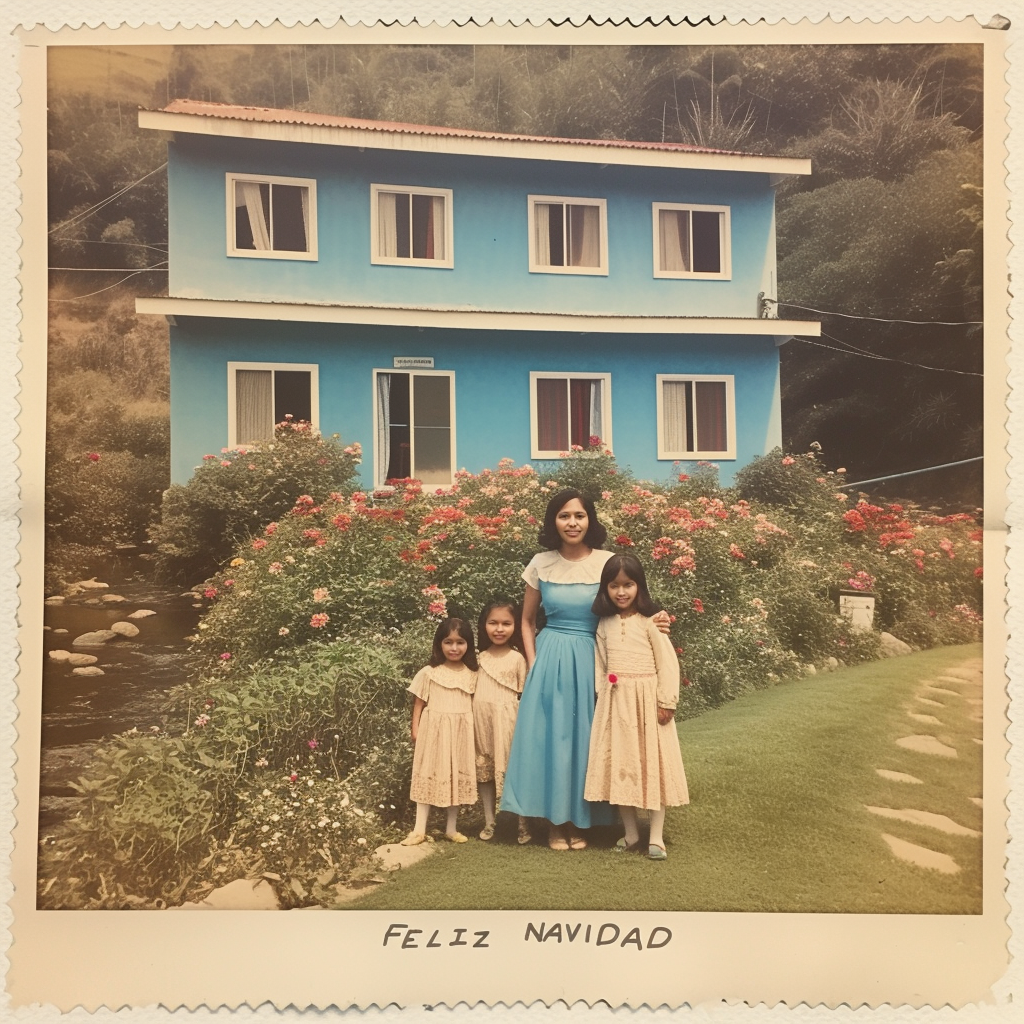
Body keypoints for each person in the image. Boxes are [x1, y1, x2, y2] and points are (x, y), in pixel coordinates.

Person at [501, 488, 671, 851]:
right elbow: (527, 622)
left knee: (585, 741)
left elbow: (629, 602)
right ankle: (552, 825)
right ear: (554, 522)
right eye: (564, 516)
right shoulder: (540, 563)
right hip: (549, 659)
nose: (572, 523)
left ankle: (581, 821)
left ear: (590, 519)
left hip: (596, 660)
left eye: (579, 515)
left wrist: (657, 622)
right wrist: (534, 664)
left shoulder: (607, 561)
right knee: (550, 741)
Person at [585, 553, 689, 861]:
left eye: (628, 585)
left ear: (639, 587)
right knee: (622, 765)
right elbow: (601, 665)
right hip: (616, 704)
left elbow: (667, 664)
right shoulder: (604, 623)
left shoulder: (652, 622)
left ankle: (655, 837)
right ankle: (630, 833)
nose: (621, 592)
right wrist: (604, 697)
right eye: (614, 586)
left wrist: (666, 701)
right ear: (605, 589)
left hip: (647, 703)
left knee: (653, 765)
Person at [400, 617, 479, 846]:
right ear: (439, 644)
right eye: (448, 642)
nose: (454, 648)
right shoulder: (429, 672)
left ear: (468, 645)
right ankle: (418, 829)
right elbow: (418, 702)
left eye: (460, 642)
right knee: (427, 773)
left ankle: (451, 828)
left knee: (454, 774)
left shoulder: (472, 673)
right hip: (433, 731)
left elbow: (475, 704)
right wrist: (415, 727)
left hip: (460, 732)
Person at [473, 600, 530, 844]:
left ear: (515, 626)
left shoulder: (517, 658)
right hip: (481, 720)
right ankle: (489, 820)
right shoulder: (477, 658)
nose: (499, 629)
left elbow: (524, 692)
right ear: (484, 625)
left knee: (513, 769)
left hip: (508, 719)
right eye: (493, 623)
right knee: (484, 770)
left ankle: (522, 823)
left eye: (506, 623)